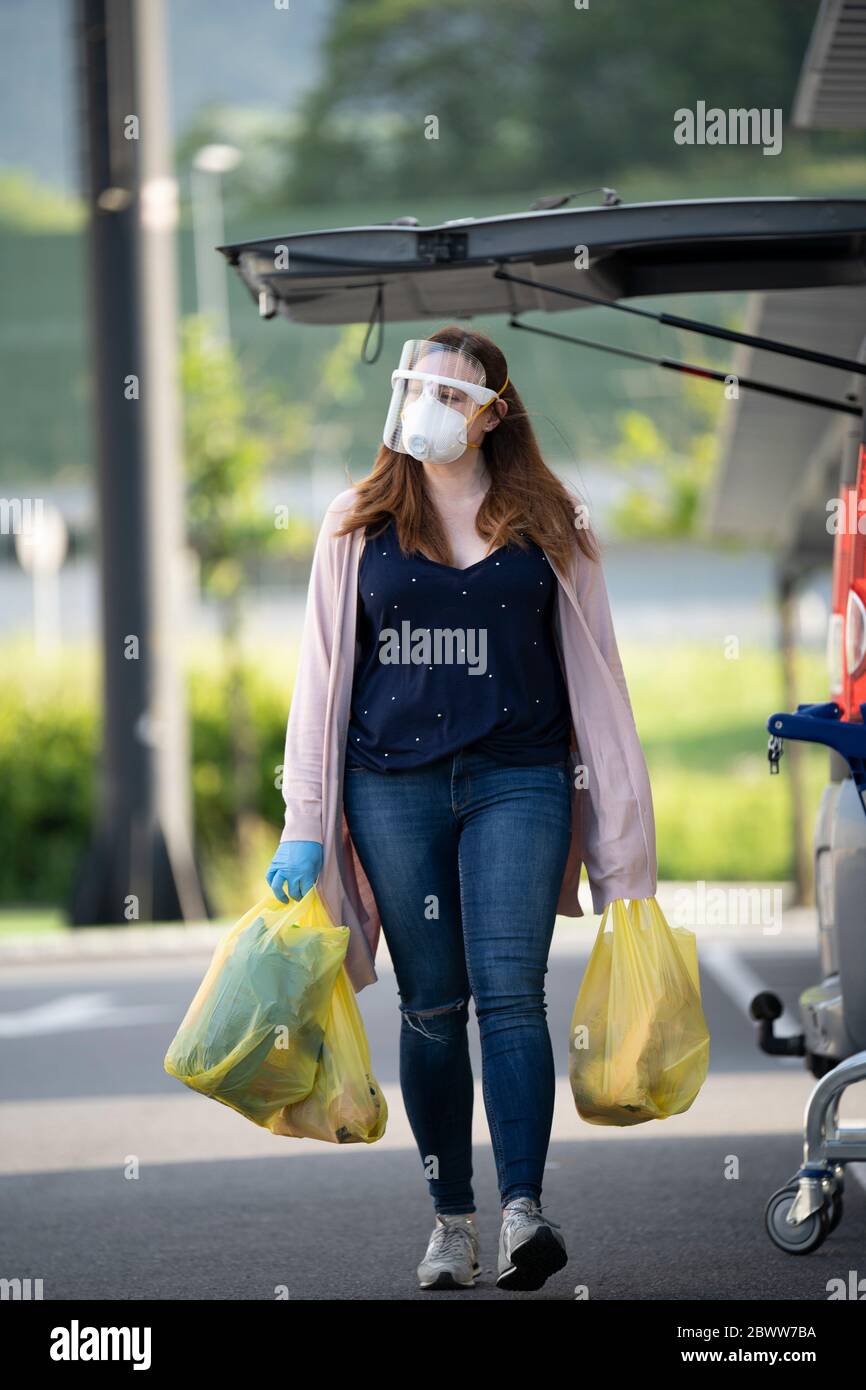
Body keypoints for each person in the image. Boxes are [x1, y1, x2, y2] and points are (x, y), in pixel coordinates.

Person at [266, 326, 657, 1292]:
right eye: (414, 386)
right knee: (433, 1007)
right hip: (390, 787)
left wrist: (625, 853)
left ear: (492, 411)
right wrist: (304, 827)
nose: (427, 404)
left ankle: (523, 1211)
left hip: (520, 781)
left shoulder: (551, 520)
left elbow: (601, 679)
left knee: (513, 993)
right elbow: (319, 680)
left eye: (451, 392)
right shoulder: (355, 523)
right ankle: (452, 1223)